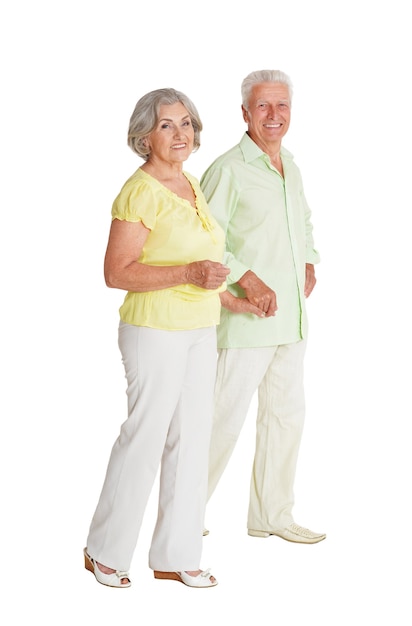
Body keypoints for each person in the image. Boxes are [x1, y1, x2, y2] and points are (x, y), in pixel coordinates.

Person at [84, 88, 230, 589]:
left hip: (200, 328)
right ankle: (104, 549)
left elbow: (206, 263)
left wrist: (224, 289)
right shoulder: (140, 191)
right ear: (144, 135)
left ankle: (177, 554)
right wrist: (189, 271)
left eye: (186, 123)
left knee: (192, 440)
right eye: (167, 125)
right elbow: (116, 272)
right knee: (144, 438)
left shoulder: (190, 184)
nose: (180, 134)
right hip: (154, 330)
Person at [200, 69, 326, 544]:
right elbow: (205, 240)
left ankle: (271, 516)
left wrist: (309, 260)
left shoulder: (289, 164)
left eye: (282, 106)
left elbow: (305, 220)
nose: (274, 116)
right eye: (263, 107)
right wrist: (245, 281)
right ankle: (183, 517)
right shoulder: (228, 169)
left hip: (291, 320)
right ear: (245, 113)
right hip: (245, 321)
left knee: (285, 417)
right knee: (220, 421)